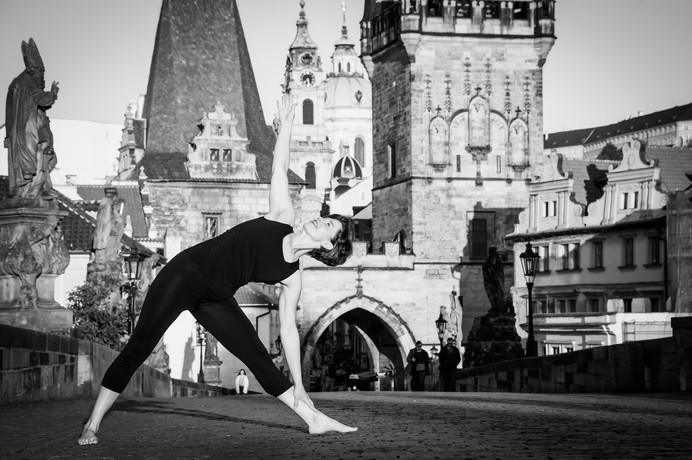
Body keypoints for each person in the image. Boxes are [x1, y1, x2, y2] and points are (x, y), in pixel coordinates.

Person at [77, 95, 357, 445]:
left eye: (328, 225)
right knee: (140, 345)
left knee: (256, 354)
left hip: (215, 298)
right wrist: (285, 127)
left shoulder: (292, 277)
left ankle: (313, 418)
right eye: (326, 217)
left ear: (328, 246)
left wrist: (300, 383)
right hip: (185, 273)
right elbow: (279, 164)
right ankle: (93, 423)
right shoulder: (282, 216)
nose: (320, 219)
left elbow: (288, 330)